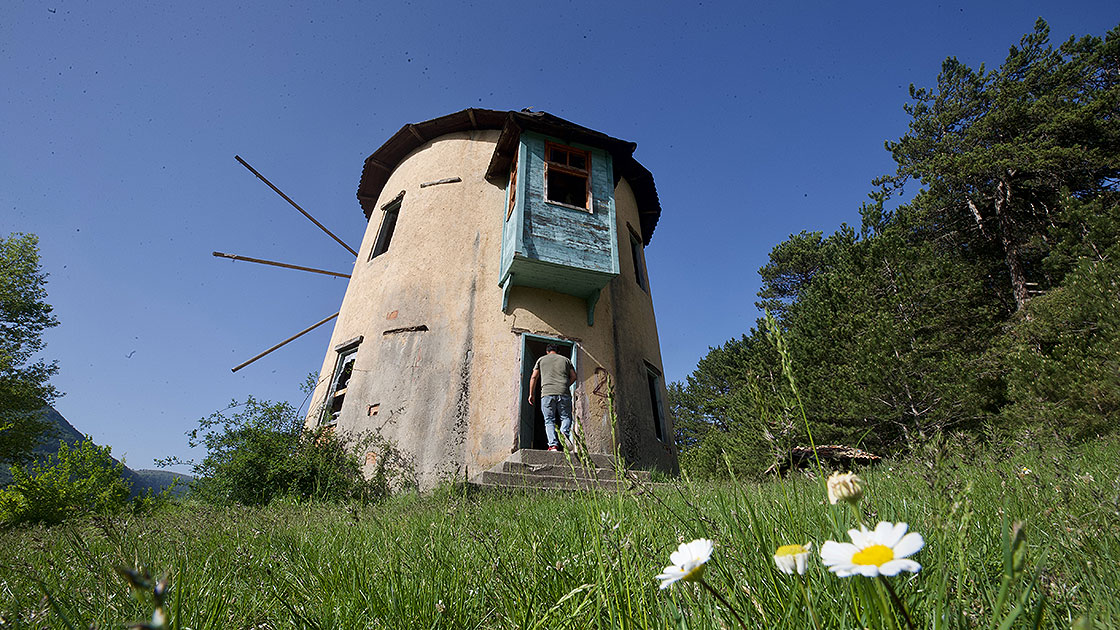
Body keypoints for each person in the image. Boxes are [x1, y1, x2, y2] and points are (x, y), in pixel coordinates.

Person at [527, 344, 577, 451]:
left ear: (547, 351)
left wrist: (531, 394)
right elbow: (574, 376)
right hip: (564, 393)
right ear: (558, 351)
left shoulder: (541, 360)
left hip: (547, 393)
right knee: (566, 417)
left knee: (549, 420)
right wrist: (565, 386)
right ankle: (564, 432)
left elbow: (534, 377)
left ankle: (553, 445)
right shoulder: (566, 360)